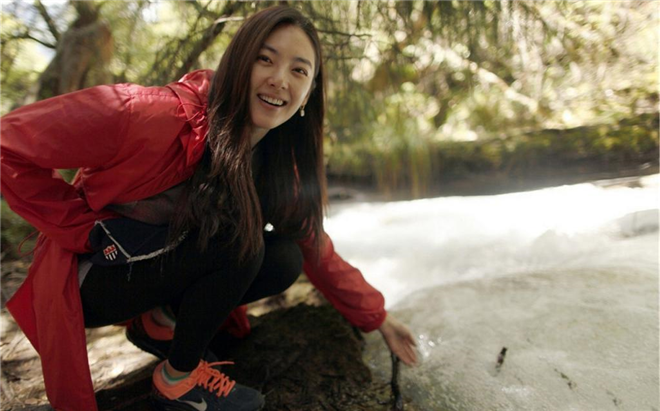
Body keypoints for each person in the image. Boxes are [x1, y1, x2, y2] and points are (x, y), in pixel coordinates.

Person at [0, 6, 417, 411]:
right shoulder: (151, 114)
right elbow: (8, 142)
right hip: (94, 278)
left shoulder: (275, 163)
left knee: (284, 256)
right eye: (265, 59)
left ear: (309, 92)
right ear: (237, 63)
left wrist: (378, 318)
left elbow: (314, 246)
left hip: (157, 267)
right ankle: (178, 381)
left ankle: (162, 322)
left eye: (298, 70)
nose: (279, 80)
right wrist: (82, 229)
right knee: (239, 240)